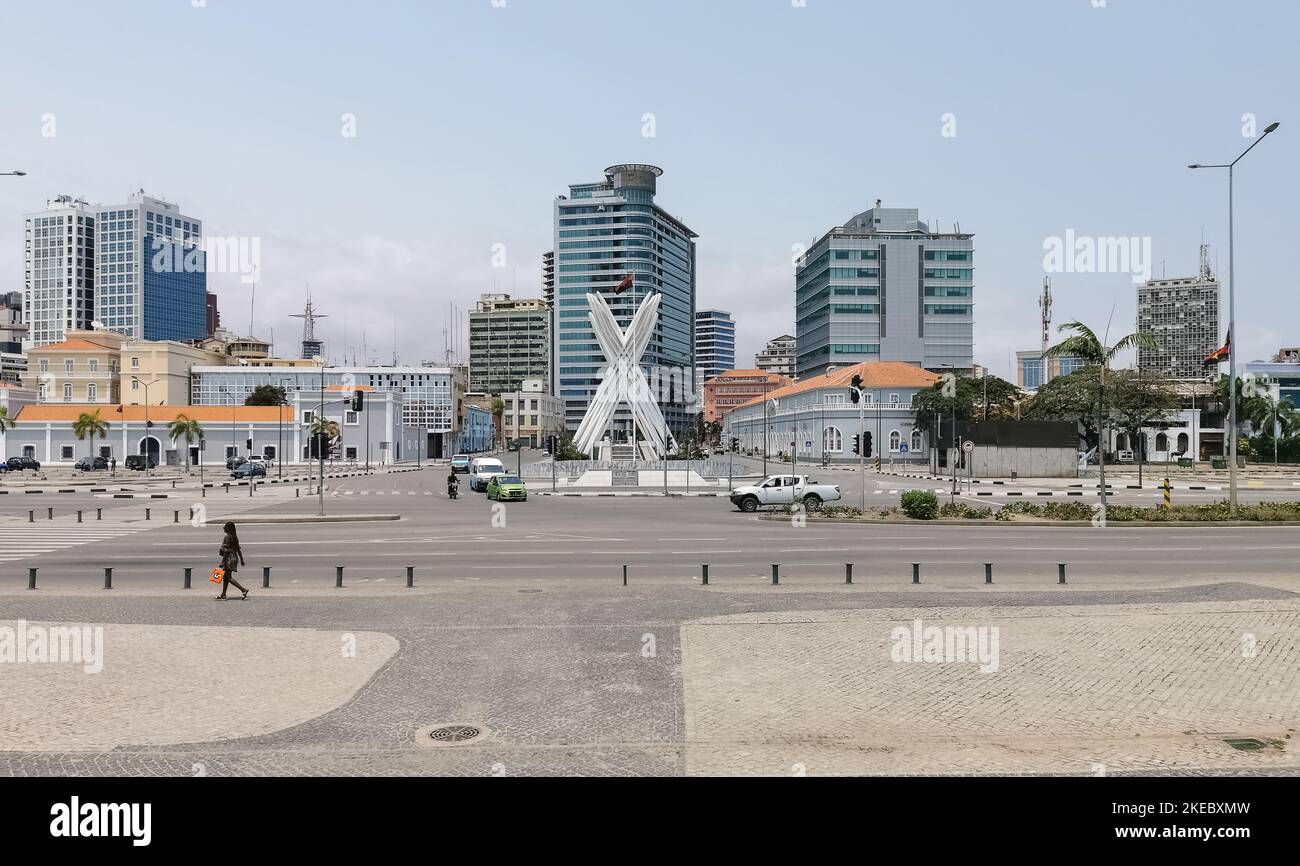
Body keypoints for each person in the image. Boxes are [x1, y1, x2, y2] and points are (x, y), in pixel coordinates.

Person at [216, 521, 249, 600]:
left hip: (229, 558)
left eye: (225, 526)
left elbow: (226, 551)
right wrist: (241, 559)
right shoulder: (234, 537)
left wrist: (223, 561)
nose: (223, 528)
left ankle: (243, 590)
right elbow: (238, 550)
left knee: (228, 577)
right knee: (225, 577)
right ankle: (223, 594)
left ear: (228, 528)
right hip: (234, 557)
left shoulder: (227, 537)